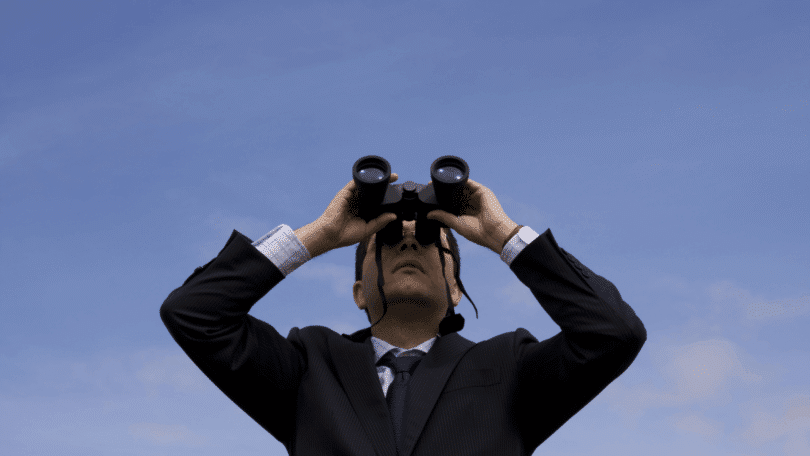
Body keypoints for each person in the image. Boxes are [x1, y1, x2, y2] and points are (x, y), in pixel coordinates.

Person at [160, 172, 647, 456]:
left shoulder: (511, 366)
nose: (409, 238)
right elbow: (194, 313)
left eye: (433, 241)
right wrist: (319, 235)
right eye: (386, 241)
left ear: (456, 288)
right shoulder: (309, 366)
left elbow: (613, 334)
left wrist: (502, 234)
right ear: (358, 291)